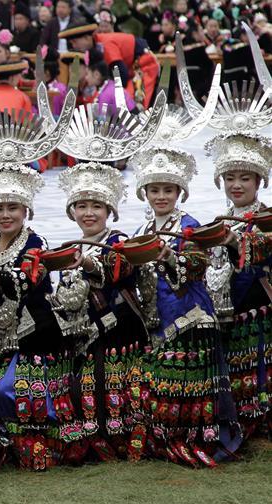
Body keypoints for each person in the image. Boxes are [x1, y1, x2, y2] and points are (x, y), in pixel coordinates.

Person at [129, 147, 240, 467]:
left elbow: (197, 264)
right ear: (144, 193)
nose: (161, 196)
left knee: (190, 386)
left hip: (189, 315)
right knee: (166, 385)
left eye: (168, 190)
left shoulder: (189, 225)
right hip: (158, 317)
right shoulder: (142, 230)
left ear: (180, 192)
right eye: (154, 190)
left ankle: (199, 441)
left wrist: (169, 257)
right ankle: (171, 441)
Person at [0, 163, 66, 470]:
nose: (5, 215)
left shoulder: (35, 242)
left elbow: (29, 278)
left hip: (33, 333)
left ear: (26, 209)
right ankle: (10, 451)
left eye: (13, 207)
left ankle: (39, 452)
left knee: (12, 389)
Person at [56, 163, 151, 462]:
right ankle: (93, 444)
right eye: (81, 206)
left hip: (119, 333)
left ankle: (121, 443)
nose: (89, 213)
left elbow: (120, 271)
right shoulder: (69, 248)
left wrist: (87, 264)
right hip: (84, 336)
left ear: (109, 210)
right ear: (72, 211)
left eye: (96, 206)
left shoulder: (118, 241)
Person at [204, 133, 272, 437]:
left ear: (259, 181)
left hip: (261, 307)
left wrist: (236, 243)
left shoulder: (267, 218)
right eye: (230, 178)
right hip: (228, 309)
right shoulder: (216, 222)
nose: (237, 185)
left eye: (245, 178)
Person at [60, 22, 159, 110]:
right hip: (128, 67)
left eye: (74, 42)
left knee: (134, 101)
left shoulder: (106, 44)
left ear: (87, 38)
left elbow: (121, 73)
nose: (73, 46)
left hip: (143, 63)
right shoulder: (94, 48)